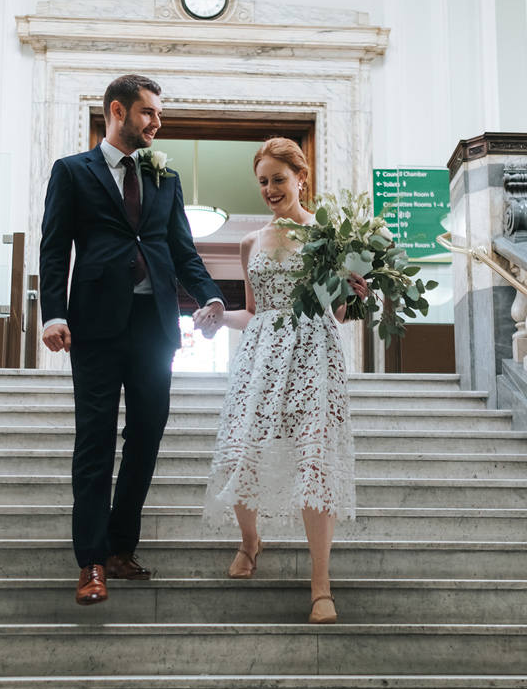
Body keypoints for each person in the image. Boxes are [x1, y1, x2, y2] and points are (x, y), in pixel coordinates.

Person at [40, 74, 225, 606]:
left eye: (158, 115)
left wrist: (208, 296)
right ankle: (91, 561)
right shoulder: (73, 172)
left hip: (155, 326)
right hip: (94, 326)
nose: (157, 123)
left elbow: (182, 249)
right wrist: (53, 314)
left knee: (146, 437)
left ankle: (122, 548)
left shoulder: (164, 178)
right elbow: (55, 250)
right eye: (148, 113)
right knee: (95, 442)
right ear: (117, 112)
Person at [194, 137, 367, 624]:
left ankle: (320, 583)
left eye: (279, 179)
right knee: (239, 449)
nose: (270, 189)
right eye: (264, 181)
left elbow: (337, 311)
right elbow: (252, 313)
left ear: (300, 179)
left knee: (314, 461)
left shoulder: (330, 238)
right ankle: (250, 542)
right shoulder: (251, 243)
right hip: (261, 353)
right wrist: (216, 316)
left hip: (315, 353)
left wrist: (355, 294)